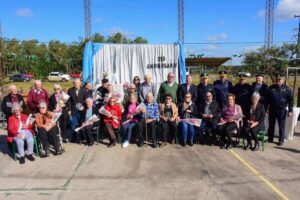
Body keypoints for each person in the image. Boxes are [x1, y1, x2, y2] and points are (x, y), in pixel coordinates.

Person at [267, 74, 293, 146]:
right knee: (271, 124)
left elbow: (291, 100)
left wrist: (290, 110)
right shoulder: (271, 88)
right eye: (277, 80)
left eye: (279, 80)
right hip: (272, 109)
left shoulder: (287, 89)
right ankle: (270, 138)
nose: (278, 81)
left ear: (283, 80)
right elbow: (267, 99)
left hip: (281, 109)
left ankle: (281, 140)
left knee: (281, 125)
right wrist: (266, 109)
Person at [67, 78, 88, 142]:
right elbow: (69, 101)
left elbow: (86, 100)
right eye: (75, 83)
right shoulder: (70, 90)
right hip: (73, 110)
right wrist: (69, 110)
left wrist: (83, 107)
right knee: (73, 124)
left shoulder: (84, 90)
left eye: (77, 83)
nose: (76, 84)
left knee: (81, 124)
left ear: (80, 83)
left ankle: (82, 137)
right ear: (73, 84)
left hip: (81, 111)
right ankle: (74, 138)